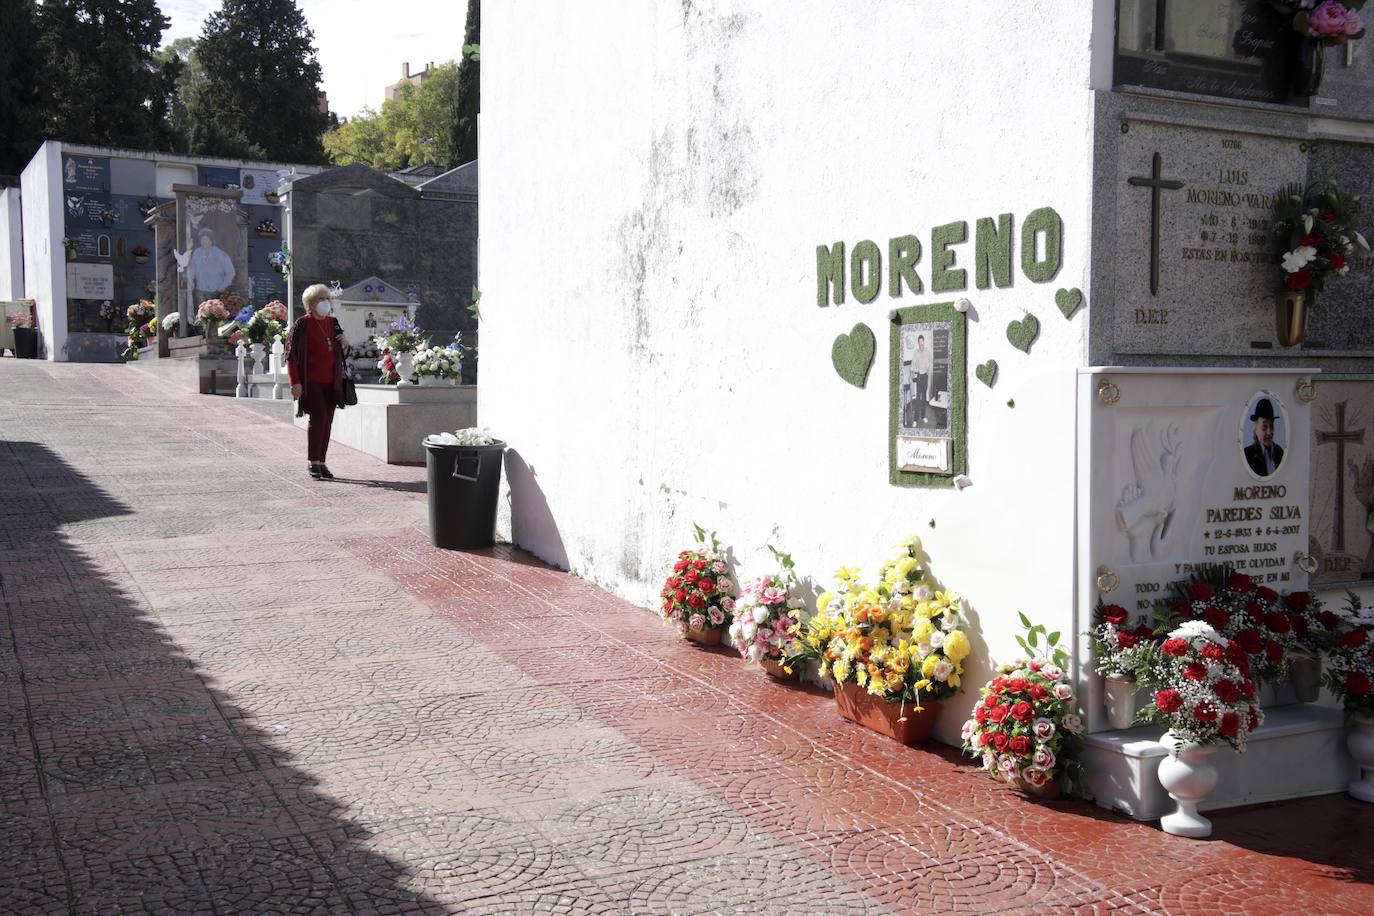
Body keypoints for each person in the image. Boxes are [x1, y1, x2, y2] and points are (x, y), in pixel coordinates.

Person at [285, 284, 350, 479]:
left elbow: (342, 352)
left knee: (327, 422)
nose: (326, 302)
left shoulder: (333, 322)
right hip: (311, 382)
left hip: (332, 382)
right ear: (311, 303)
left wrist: (345, 344)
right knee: (319, 417)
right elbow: (291, 355)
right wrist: (294, 382)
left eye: (327, 298)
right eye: (321, 299)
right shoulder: (302, 324)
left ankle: (322, 462)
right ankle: (313, 461)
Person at [186, 227, 236, 304]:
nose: (204, 242)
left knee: (214, 314)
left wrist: (222, 287)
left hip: (215, 291)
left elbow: (231, 272)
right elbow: (192, 268)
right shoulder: (197, 253)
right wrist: (191, 280)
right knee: (202, 313)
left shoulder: (221, 254)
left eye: (206, 239)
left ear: (211, 241)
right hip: (200, 290)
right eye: (202, 239)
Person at [1243, 398, 1284, 478]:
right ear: (1256, 427)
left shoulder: (1280, 453)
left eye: (1271, 426)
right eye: (1264, 426)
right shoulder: (1248, 455)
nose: (1269, 432)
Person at [912, 334, 931, 427]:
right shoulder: (916, 352)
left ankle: (923, 416)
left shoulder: (927, 351)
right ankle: (915, 419)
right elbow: (912, 364)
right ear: (918, 343)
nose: (921, 343)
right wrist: (912, 375)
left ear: (924, 342)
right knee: (918, 400)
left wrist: (928, 371)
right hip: (919, 377)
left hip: (925, 377)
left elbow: (930, 362)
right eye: (919, 342)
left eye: (922, 341)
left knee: (923, 398)